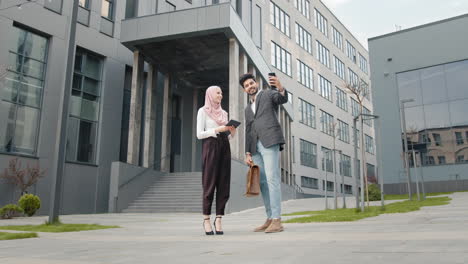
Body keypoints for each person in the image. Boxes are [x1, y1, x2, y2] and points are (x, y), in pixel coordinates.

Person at [240, 73, 288, 233]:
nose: (250, 86)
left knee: (272, 179)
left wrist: (280, 87)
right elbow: (248, 130)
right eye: (246, 85)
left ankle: (277, 220)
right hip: (255, 148)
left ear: (256, 83)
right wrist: (247, 152)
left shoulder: (268, 94)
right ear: (244, 90)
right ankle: (270, 217)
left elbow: (281, 99)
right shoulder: (247, 109)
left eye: (251, 83)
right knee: (262, 183)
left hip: (269, 141)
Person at [196, 85, 236, 235]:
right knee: (209, 183)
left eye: (221, 92)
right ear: (210, 94)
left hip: (224, 146)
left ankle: (219, 218)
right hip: (210, 146)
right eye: (218, 93)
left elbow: (228, 136)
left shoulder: (224, 113)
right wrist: (217, 130)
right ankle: (206, 219)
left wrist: (232, 132)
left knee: (223, 183)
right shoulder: (203, 111)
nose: (221, 95)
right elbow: (199, 134)